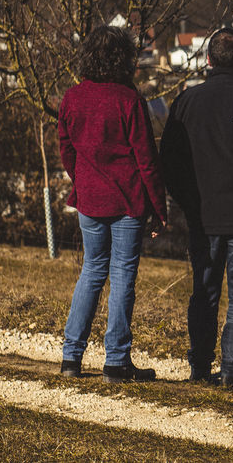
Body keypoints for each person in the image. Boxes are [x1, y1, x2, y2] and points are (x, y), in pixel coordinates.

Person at [58, 25, 167, 383]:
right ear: (124, 59)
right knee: (122, 276)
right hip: (127, 201)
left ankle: (71, 356)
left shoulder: (72, 98)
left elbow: (66, 147)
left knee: (91, 271)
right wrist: (158, 206)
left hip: (89, 199)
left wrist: (83, 179)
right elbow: (146, 158)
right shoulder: (128, 99)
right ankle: (116, 360)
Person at [161, 27, 233, 386]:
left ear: (209, 60)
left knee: (204, 291)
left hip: (201, 211)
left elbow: (169, 159)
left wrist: (186, 202)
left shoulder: (187, 101)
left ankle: (200, 364)